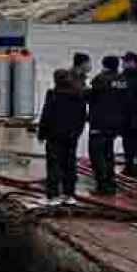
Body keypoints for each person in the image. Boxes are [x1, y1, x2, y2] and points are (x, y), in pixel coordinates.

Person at [37, 69, 86, 205]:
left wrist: (41, 134)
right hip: (71, 136)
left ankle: (52, 196)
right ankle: (69, 195)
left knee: (54, 165)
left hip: (54, 136)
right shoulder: (79, 95)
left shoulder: (53, 95)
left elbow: (46, 116)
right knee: (70, 165)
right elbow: (82, 116)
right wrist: (78, 132)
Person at [85, 55, 129, 196]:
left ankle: (102, 186)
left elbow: (90, 97)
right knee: (108, 154)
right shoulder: (123, 80)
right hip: (116, 123)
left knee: (97, 155)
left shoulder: (100, 79)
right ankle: (111, 183)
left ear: (104, 65)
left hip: (99, 122)